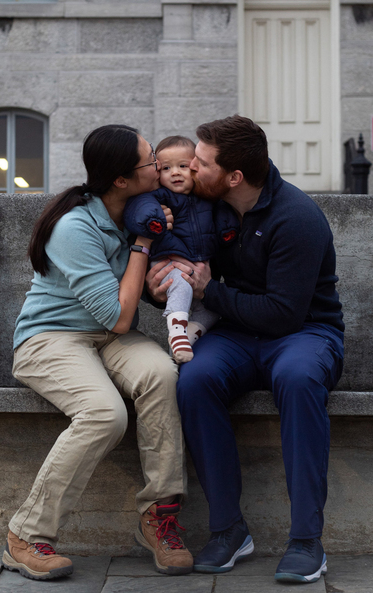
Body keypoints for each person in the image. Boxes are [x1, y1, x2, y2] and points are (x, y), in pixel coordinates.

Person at [147, 115, 344, 584]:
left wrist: (207, 292)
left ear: (234, 177)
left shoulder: (296, 217)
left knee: (298, 380)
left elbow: (283, 314)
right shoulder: (204, 205)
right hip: (234, 333)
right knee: (193, 381)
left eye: (201, 161)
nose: (190, 166)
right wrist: (166, 279)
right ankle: (229, 530)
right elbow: (174, 255)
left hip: (304, 333)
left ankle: (306, 541)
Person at [2, 125, 192, 581]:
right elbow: (120, 317)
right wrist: (145, 245)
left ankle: (158, 518)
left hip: (106, 339)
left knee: (162, 375)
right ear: (122, 180)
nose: (160, 168)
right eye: (152, 163)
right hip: (51, 338)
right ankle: (27, 535)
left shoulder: (135, 211)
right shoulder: (75, 227)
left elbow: (133, 303)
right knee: (105, 413)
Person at [124, 136, 236, 363]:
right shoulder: (160, 196)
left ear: (195, 168)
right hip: (169, 262)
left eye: (183, 166)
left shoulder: (205, 196)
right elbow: (138, 209)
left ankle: (190, 334)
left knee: (214, 309)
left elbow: (224, 212)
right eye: (166, 168)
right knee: (181, 286)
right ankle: (176, 332)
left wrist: (227, 230)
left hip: (199, 265)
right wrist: (152, 221)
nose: (175, 173)